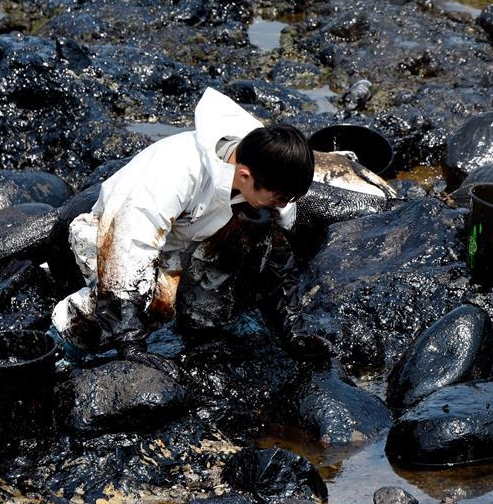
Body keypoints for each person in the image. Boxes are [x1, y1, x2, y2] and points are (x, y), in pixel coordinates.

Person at [51, 87, 318, 376]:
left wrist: (293, 327)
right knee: (154, 301)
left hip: (188, 237)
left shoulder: (268, 169)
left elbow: (279, 255)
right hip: (112, 233)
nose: (284, 204)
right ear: (245, 176)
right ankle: (63, 340)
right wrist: (132, 343)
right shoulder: (175, 171)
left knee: (261, 229)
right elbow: (128, 248)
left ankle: (204, 315)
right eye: (280, 197)